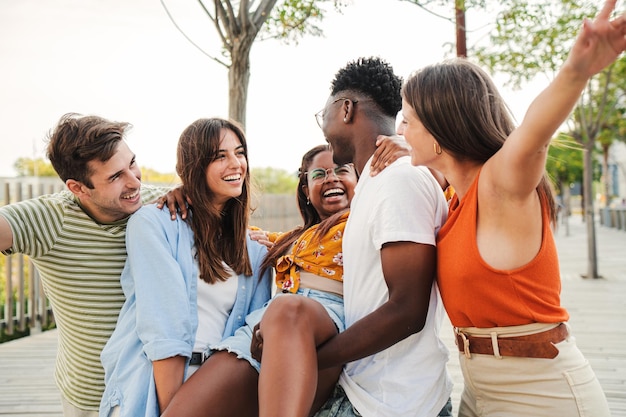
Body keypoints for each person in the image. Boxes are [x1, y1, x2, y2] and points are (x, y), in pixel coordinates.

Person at [395, 2, 625, 415]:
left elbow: (533, 136)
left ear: (441, 128)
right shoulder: (453, 198)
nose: (400, 129)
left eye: (408, 120)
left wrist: (576, 72)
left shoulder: (500, 184)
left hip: (541, 393)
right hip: (479, 389)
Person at [161, 140, 406, 417]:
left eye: (342, 170)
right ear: (306, 190)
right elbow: (222, 220)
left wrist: (408, 153)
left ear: (360, 180)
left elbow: (434, 192)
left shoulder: (367, 218)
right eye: (319, 174)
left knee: (287, 308)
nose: (331, 178)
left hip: (323, 321)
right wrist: (184, 193)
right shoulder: (287, 239)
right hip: (265, 325)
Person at [0, 113, 174, 417]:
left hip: (152, 389)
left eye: (132, 163)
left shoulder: (161, 206)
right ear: (78, 188)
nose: (135, 181)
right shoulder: (49, 220)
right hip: (89, 396)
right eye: (115, 176)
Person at [98, 117, 272, 417]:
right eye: (220, 156)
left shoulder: (254, 250)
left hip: (219, 393)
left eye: (239, 153)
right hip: (152, 388)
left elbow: (252, 338)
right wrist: (178, 409)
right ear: (193, 167)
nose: (235, 164)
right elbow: (164, 327)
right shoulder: (154, 223)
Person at [313, 56, 453, 417]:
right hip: (368, 389)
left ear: (345, 109)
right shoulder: (375, 184)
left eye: (323, 115)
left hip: (395, 402)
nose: (323, 128)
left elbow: (408, 309)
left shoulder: (398, 180)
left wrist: (311, 356)